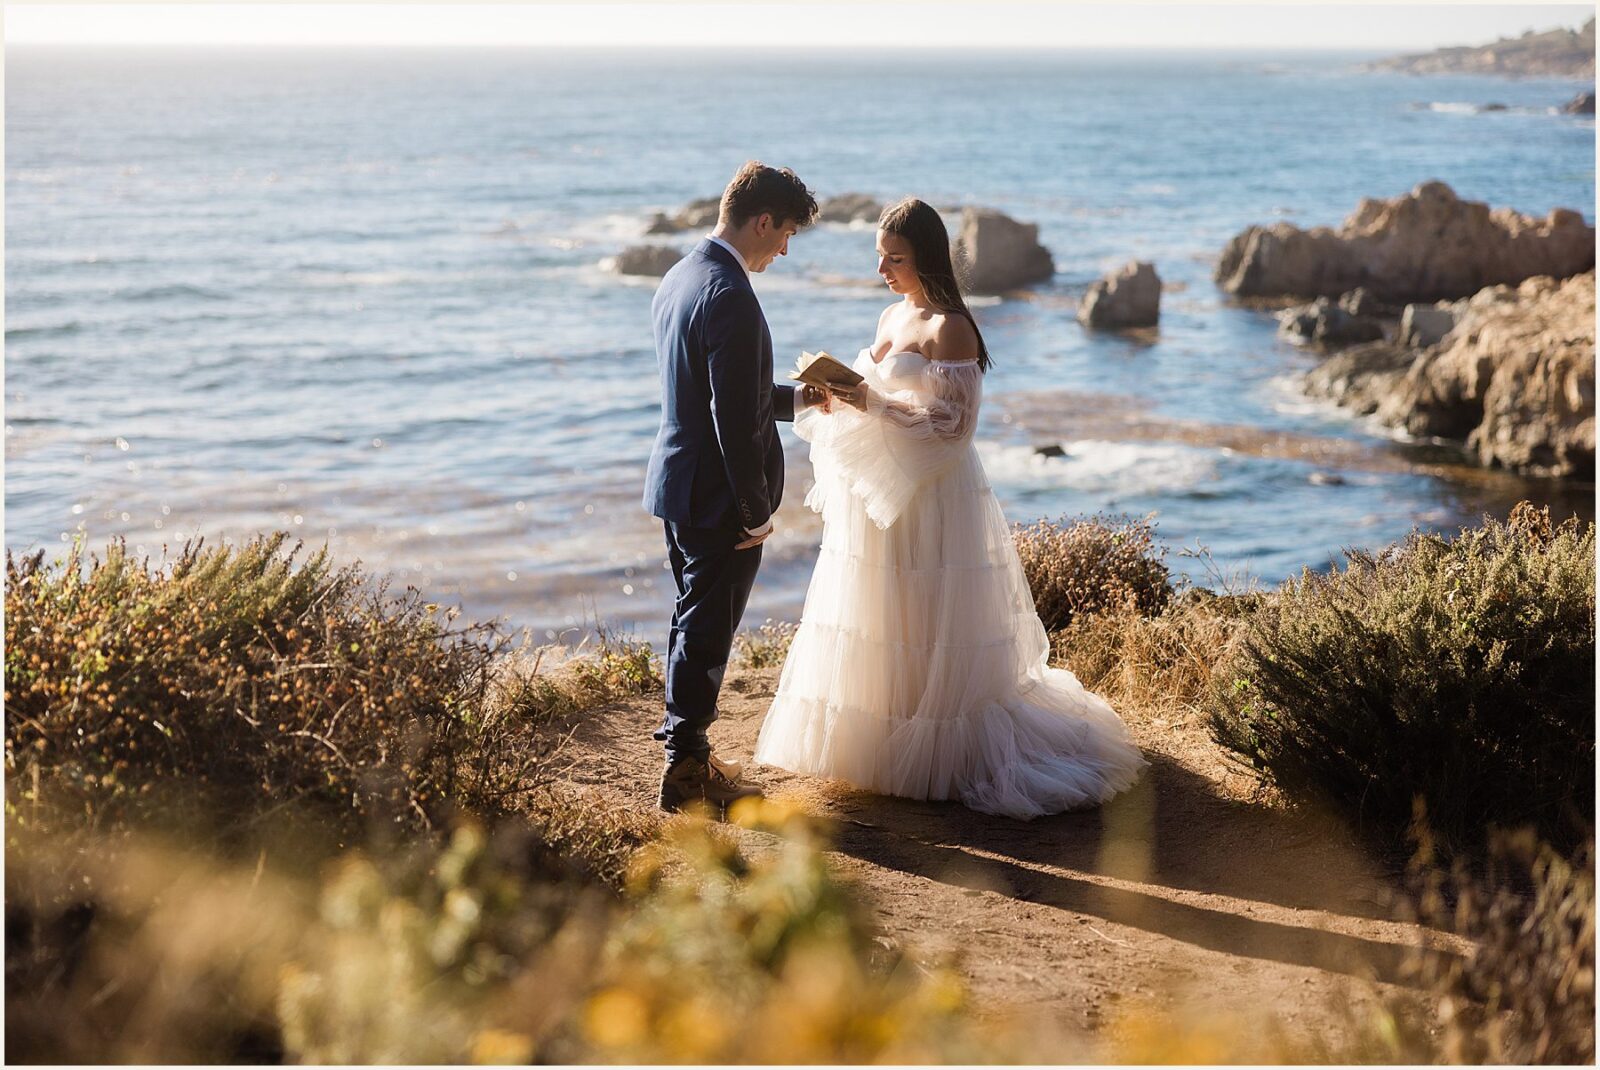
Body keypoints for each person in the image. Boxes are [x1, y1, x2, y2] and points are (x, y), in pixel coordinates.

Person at [753, 197, 1148, 820]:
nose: (884, 270)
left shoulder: (951, 327)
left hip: (934, 495)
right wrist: (838, 396)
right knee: (883, 615)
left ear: (927, 257)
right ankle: (885, 738)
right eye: (880, 258)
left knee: (931, 615)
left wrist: (870, 403)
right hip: (879, 493)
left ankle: (939, 749)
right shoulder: (890, 314)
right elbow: (884, 399)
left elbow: (954, 426)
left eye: (896, 259)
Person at [642, 160, 828, 813]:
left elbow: (719, 393)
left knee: (692, 615)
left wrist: (800, 398)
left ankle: (686, 751)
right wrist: (753, 510)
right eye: (786, 236)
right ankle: (685, 773)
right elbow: (730, 418)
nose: (784, 250)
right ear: (763, 220)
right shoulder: (732, 296)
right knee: (708, 627)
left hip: (677, 482)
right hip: (718, 497)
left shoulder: (681, 277)